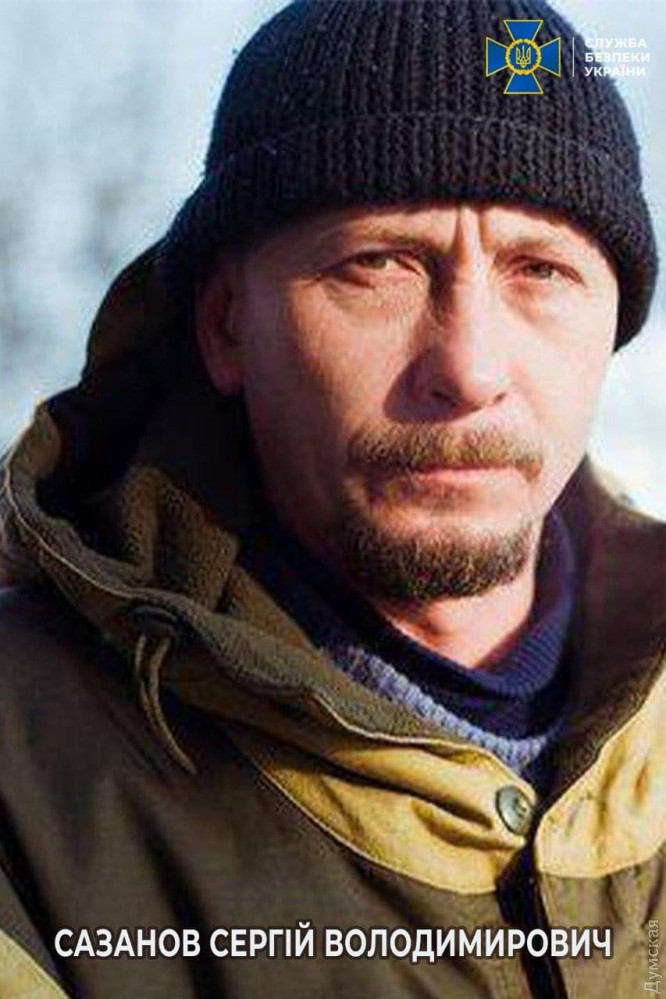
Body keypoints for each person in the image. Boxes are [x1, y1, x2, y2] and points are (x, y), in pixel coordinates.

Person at [0, 0, 662, 996]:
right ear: (226, 326)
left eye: (541, 270)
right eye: (379, 264)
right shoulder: (27, 776)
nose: (469, 368)